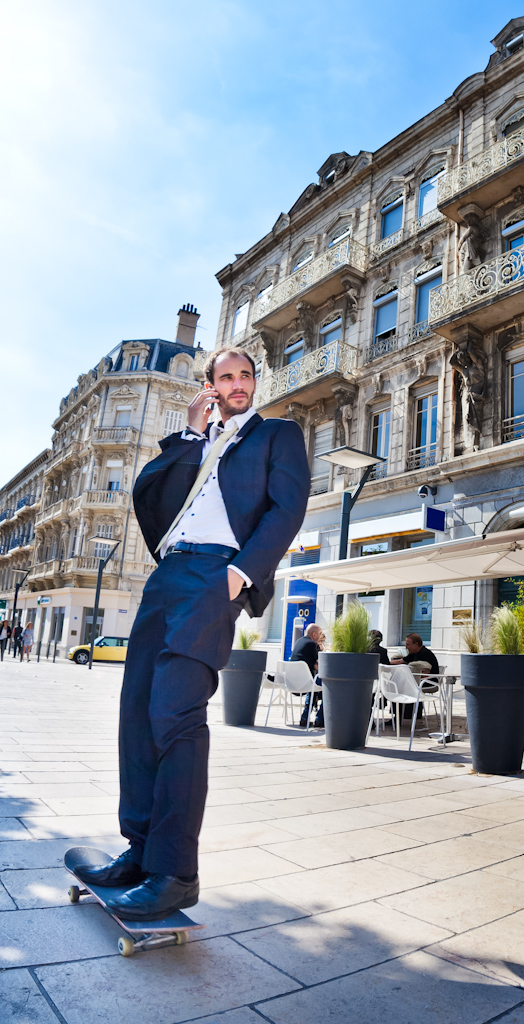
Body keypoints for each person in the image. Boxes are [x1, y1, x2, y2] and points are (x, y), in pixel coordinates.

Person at [69, 347, 310, 922]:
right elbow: (149, 494)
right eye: (225, 377)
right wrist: (190, 433)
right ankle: (141, 851)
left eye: (245, 375)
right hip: (169, 573)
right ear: (209, 387)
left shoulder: (276, 434)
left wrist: (239, 574)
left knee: (176, 715)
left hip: (215, 575)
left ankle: (175, 872)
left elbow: (287, 508)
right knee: (138, 712)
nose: (238, 384)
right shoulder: (195, 446)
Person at [292, 623, 325, 728]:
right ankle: (320, 719)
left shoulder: (299, 641)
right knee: (329, 685)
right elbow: (322, 666)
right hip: (305, 682)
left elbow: (314, 664)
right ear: (314, 635)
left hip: (291, 682)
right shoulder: (312, 645)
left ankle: (304, 718)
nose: (321, 636)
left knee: (315, 686)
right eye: (320, 634)